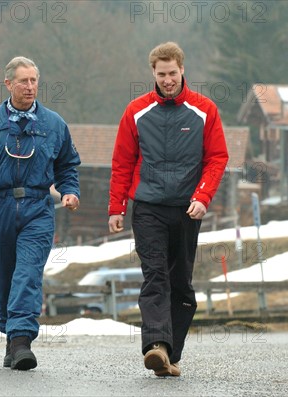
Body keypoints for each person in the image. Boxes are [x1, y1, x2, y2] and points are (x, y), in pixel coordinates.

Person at [108, 42, 229, 377]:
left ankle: (170, 356)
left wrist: (203, 196)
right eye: (161, 74)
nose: (167, 80)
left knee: (181, 283)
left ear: (182, 70)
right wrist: (116, 207)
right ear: (153, 74)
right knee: (155, 275)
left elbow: (217, 158)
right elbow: (122, 162)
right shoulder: (135, 111)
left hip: (187, 210)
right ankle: (155, 346)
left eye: (172, 73)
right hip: (147, 207)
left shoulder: (205, 110)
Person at [0, 56, 81, 371]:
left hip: (39, 207)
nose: (29, 87)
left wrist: (69, 190)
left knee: (28, 271)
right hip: (1, 206)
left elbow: (67, 164)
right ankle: (12, 338)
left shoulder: (53, 124)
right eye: (23, 81)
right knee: (4, 276)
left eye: (34, 80)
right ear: (8, 83)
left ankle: (22, 339)